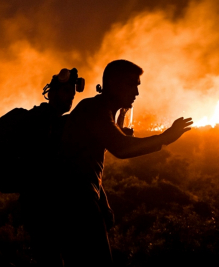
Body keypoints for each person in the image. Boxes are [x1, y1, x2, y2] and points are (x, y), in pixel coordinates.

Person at [59, 59, 193, 265]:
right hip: (76, 206)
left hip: (78, 202)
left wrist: (101, 202)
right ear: (113, 83)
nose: (137, 93)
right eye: (132, 84)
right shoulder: (94, 109)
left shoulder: (98, 110)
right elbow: (121, 149)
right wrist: (166, 137)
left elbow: (84, 165)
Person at [19, 68, 84, 267]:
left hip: (44, 205)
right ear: (53, 93)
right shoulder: (43, 121)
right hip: (44, 206)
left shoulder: (51, 121)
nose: (70, 99)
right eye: (66, 93)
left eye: (72, 96)